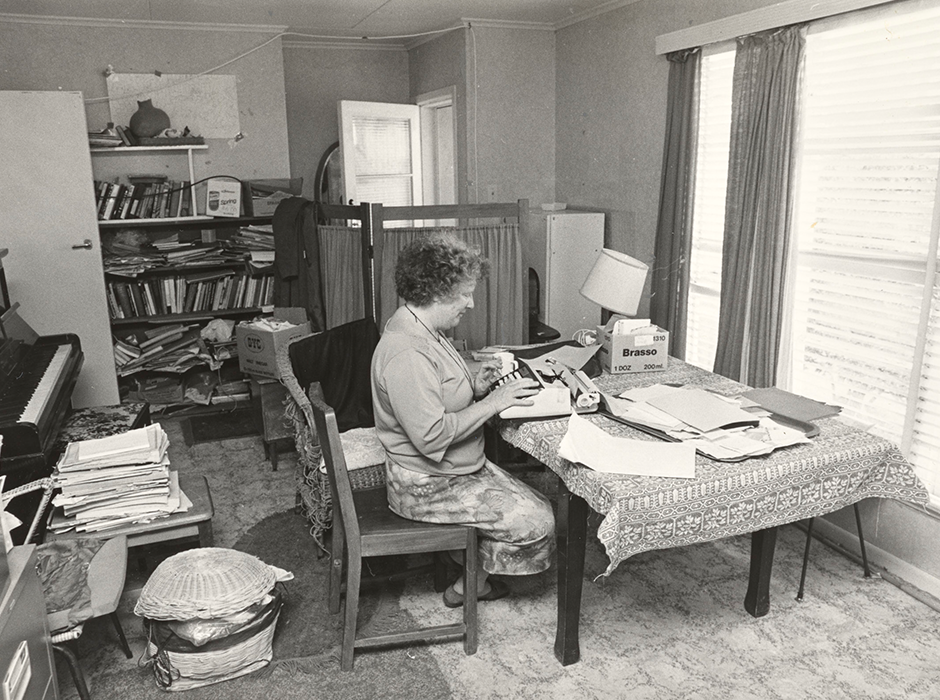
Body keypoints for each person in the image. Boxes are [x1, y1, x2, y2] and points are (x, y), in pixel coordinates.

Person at [371, 233, 556, 607]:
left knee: (541, 501)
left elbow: (434, 393)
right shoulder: (407, 352)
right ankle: (469, 584)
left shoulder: (422, 329)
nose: (470, 304)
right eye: (464, 294)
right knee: (539, 523)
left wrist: (474, 384)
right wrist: (495, 403)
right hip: (425, 484)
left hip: (450, 469)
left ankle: (468, 559)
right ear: (436, 292)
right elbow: (431, 437)